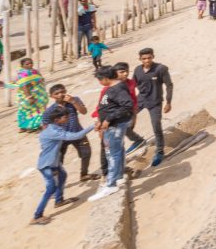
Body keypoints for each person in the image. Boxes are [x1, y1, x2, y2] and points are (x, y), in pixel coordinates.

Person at [31, 105, 95, 224]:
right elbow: (76, 136)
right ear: (57, 120)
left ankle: (59, 201)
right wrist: (93, 126)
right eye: (65, 117)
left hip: (54, 162)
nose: (68, 119)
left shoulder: (54, 128)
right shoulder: (54, 131)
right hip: (47, 165)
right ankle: (37, 216)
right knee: (51, 188)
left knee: (63, 176)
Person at [89, 65, 133, 202]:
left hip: (115, 126)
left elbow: (127, 104)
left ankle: (111, 184)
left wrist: (108, 119)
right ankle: (118, 177)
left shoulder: (117, 89)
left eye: (100, 80)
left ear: (106, 78)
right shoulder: (114, 88)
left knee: (112, 154)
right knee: (118, 151)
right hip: (112, 125)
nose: (99, 82)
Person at [41, 84, 98, 182]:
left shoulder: (74, 100)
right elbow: (45, 125)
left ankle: (84, 174)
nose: (60, 95)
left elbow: (84, 111)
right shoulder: (50, 111)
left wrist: (73, 101)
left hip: (77, 132)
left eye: (63, 92)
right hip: (61, 137)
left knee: (86, 153)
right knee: (59, 159)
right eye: (57, 93)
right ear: (52, 96)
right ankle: (57, 181)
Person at [131, 48, 173, 167]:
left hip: (155, 102)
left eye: (149, 58)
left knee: (156, 126)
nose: (147, 60)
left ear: (153, 56)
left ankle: (159, 151)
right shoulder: (137, 70)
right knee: (127, 122)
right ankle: (137, 140)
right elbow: (132, 86)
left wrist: (168, 102)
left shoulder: (161, 69)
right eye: (144, 58)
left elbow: (169, 85)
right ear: (140, 59)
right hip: (140, 100)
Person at [8, 58, 48, 132]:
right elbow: (24, 86)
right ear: (22, 65)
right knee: (31, 110)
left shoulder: (34, 71)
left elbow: (41, 79)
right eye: (27, 64)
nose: (30, 65)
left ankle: (32, 126)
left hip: (38, 94)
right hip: (28, 95)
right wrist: (29, 97)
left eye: (31, 63)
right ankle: (30, 126)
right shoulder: (23, 74)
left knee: (35, 109)